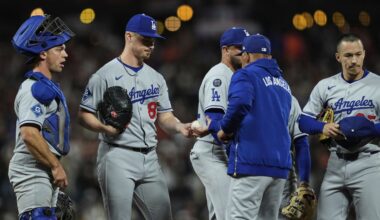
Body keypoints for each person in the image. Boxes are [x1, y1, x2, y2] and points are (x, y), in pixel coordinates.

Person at [78, 13, 192, 220]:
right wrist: (104, 128)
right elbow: (84, 114)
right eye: (145, 40)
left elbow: (165, 118)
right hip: (117, 155)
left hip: (150, 158)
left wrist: (180, 127)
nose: (151, 45)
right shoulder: (104, 75)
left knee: (164, 216)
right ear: (129, 36)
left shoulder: (156, 78)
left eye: (153, 41)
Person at [194, 34, 293, 220]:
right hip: (279, 168)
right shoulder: (283, 84)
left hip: (252, 162)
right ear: (270, 57)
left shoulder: (245, 74)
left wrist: (223, 129)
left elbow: (240, 103)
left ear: (246, 56)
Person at [299, 33, 380, 220]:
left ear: (364, 54)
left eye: (358, 54)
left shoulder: (378, 84)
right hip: (336, 162)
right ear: (338, 57)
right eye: (348, 55)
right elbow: (303, 120)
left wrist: (369, 130)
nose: (354, 60)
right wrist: (322, 127)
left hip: (369, 162)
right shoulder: (326, 86)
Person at [8, 15, 75, 219]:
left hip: (41, 168)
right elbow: (29, 134)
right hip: (32, 169)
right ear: (43, 53)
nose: (66, 54)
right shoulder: (34, 89)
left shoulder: (45, 86)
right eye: (59, 49)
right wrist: (55, 166)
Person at [190, 27, 249, 220]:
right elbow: (214, 118)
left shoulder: (236, 76)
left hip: (220, 153)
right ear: (226, 50)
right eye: (239, 48)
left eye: (246, 49)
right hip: (212, 153)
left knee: (219, 215)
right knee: (231, 214)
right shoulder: (219, 75)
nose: (244, 53)